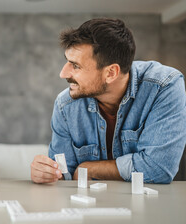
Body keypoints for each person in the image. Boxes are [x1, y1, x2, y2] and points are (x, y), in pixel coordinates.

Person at [31, 18, 186, 184]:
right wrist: (46, 173)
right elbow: (64, 175)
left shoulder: (164, 86)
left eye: (75, 66)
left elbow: (158, 169)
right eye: (67, 61)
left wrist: (89, 169)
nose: (63, 73)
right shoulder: (65, 105)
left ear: (111, 73)